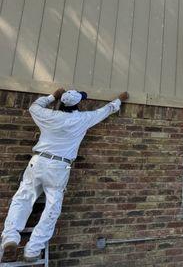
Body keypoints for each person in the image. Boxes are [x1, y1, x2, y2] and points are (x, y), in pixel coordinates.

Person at [0, 88, 128, 262]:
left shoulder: (49, 115)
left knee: (22, 198)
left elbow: (33, 107)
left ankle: (10, 238)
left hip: (38, 161)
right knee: (52, 207)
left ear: (61, 103)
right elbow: (105, 110)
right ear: (78, 105)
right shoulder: (82, 119)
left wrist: (52, 96)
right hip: (59, 167)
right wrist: (119, 99)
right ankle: (33, 250)